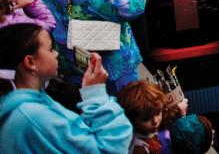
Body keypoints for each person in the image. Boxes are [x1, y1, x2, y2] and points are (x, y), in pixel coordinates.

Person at [0, 23, 134, 153]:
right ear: (30, 62)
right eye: (51, 49)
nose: (56, 54)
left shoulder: (27, 102)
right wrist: (96, 96)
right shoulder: (33, 115)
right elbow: (112, 149)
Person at [117, 80, 166, 154]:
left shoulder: (149, 131)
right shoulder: (139, 149)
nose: (155, 121)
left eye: (158, 113)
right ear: (131, 119)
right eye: (146, 119)